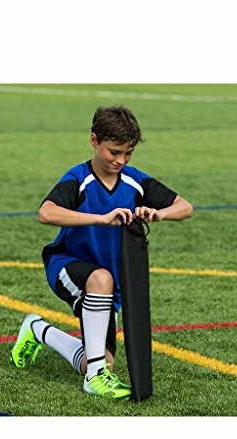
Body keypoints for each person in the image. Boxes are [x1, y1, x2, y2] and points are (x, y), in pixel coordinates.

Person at [11, 105, 193, 399]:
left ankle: (38, 329)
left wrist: (157, 214)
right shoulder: (79, 178)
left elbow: (185, 207)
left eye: (128, 153)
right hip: (66, 265)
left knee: (99, 359)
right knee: (101, 278)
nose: (121, 160)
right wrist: (101, 217)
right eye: (114, 152)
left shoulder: (135, 180)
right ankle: (94, 380)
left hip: (110, 286)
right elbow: (46, 213)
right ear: (94, 140)